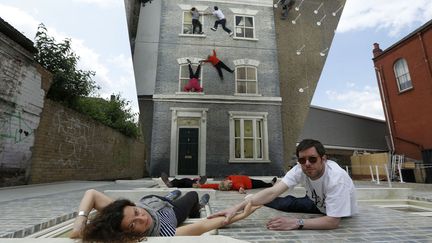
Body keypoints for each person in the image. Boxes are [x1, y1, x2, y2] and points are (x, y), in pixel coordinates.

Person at [208, 139, 357, 231]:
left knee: (289, 203)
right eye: (302, 160)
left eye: (312, 159)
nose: (307, 164)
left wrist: (296, 223)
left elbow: (332, 222)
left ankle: (254, 199)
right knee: (284, 202)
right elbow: (273, 191)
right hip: (316, 202)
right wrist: (235, 208)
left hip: (336, 211)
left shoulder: (336, 178)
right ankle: (252, 199)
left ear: (323, 159)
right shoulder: (300, 168)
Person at [70, 189, 260, 242]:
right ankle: (198, 205)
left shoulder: (120, 212)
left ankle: (171, 193)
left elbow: (91, 194)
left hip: (153, 200)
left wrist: (79, 224)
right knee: (191, 196)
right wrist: (240, 215)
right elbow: (203, 227)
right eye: (133, 225)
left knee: (170, 194)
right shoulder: (163, 235)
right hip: (172, 211)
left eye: (136, 213)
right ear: (128, 234)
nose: (142, 218)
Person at [199, 175, 278, 194]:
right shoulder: (236, 184)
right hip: (251, 184)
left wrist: (201, 186)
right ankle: (271, 183)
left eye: (229, 183)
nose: (230, 183)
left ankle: (270, 183)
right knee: (263, 184)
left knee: (261, 181)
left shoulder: (225, 181)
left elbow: (213, 186)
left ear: (224, 182)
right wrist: (241, 189)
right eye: (230, 186)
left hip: (248, 179)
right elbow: (240, 186)